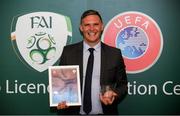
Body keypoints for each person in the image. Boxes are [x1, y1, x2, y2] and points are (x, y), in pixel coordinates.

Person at [56, 9, 128, 115]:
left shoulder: (114, 54)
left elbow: (123, 85)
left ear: (102, 26)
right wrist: (60, 98)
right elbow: (60, 83)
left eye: (96, 24)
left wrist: (114, 94)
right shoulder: (68, 52)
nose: (92, 29)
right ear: (81, 28)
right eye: (87, 25)